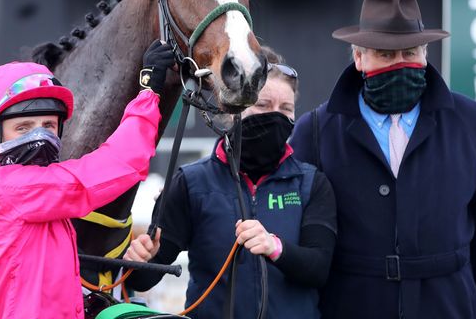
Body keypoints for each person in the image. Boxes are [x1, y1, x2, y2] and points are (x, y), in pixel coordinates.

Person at [290, 0, 476, 318]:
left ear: (425, 55)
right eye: (385, 54)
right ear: (359, 58)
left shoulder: (473, 125)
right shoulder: (316, 132)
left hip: (448, 308)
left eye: (409, 52)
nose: (399, 64)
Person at [0, 41, 175, 319]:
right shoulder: (11, 189)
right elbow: (119, 163)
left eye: (48, 125)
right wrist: (148, 92)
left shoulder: (26, 192)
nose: (39, 136)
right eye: (23, 127)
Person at [123, 46, 337, 319]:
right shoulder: (191, 182)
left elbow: (319, 267)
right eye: (262, 104)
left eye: (286, 109)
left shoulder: (312, 183)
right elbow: (143, 279)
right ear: (233, 108)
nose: (275, 116)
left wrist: (274, 247)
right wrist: (138, 260)